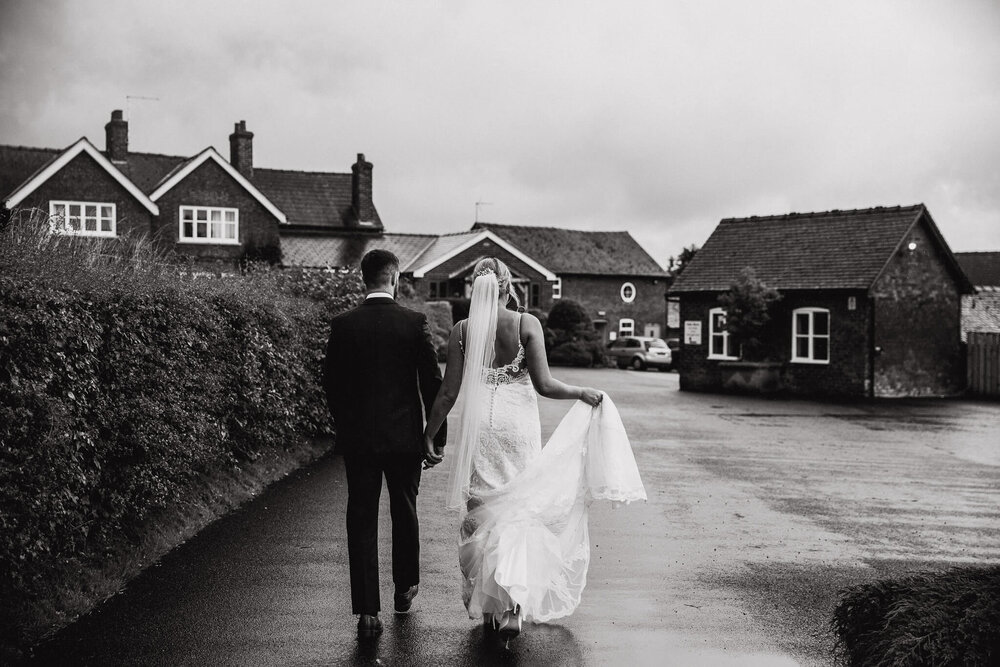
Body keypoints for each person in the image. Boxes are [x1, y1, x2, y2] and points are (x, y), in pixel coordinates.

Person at [422, 257, 645, 643]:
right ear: (509, 287)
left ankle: (493, 606)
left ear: (478, 290)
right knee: (519, 509)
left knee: (484, 509)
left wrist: (429, 434)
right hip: (518, 424)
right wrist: (580, 392)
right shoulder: (526, 323)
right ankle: (512, 607)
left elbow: (448, 393)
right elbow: (543, 384)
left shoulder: (462, 330)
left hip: (482, 428)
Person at [322, 249, 447, 639]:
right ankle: (405, 587)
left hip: (359, 439)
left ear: (364, 279)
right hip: (404, 438)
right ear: (394, 278)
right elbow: (431, 382)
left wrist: (346, 425)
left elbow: (331, 384)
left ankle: (366, 612)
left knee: (360, 515)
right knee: (404, 508)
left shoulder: (344, 325)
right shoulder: (413, 323)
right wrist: (434, 437)